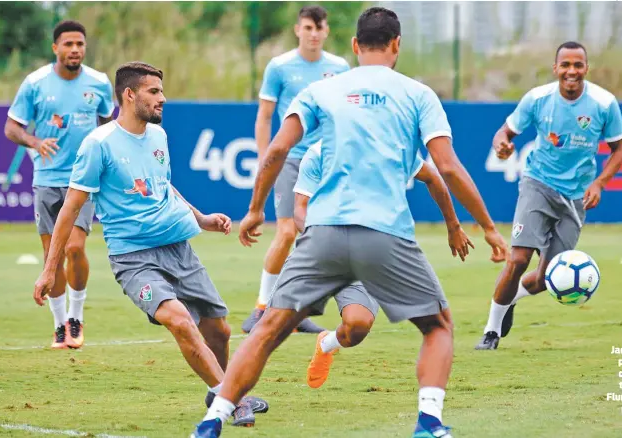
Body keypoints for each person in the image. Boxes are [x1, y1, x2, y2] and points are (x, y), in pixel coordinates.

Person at [194, 7, 508, 438]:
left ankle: (212, 422)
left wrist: (255, 209)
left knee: (267, 330)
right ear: (397, 44)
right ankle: (429, 423)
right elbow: (447, 168)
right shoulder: (418, 94)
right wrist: (486, 226)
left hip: (321, 234)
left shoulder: (324, 90)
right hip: (384, 235)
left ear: (356, 46)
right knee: (437, 327)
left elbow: (275, 152)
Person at [33, 61, 269, 427]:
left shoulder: (158, 136)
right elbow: (70, 209)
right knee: (179, 321)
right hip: (134, 258)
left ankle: (224, 390)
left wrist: (201, 218)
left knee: (219, 330)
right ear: (129, 95)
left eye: (162, 91)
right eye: (154, 92)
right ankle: (230, 400)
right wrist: (50, 270)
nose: (163, 98)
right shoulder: (99, 144)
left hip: (179, 247)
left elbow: (164, 188)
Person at [475, 41, 622, 350]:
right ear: (555, 68)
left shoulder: (603, 103)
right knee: (518, 259)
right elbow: (504, 132)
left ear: (586, 68)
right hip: (538, 184)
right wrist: (502, 144)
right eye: (566, 65)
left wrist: (599, 182)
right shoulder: (537, 98)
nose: (571, 71)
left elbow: (619, 148)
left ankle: (511, 299)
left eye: (578, 65)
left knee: (549, 277)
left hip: (574, 198)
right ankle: (491, 332)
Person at [295, 144, 474, 389]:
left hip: (389, 248)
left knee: (440, 322)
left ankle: (327, 343)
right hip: (340, 249)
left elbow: (433, 177)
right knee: (357, 325)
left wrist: (453, 226)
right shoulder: (319, 153)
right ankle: (230, 397)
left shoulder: (393, 144)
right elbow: (300, 208)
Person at [4, 20, 114, 349]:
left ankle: (76, 316)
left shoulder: (99, 83)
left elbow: (110, 126)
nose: (75, 50)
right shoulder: (35, 83)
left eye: (80, 44)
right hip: (47, 179)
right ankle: (58, 325)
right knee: (51, 254)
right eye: (68, 44)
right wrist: (34, 142)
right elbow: (12, 127)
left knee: (74, 247)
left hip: (83, 180)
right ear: (56, 48)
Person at [242, 5, 350, 334]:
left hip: (326, 160)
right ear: (297, 29)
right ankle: (261, 309)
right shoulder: (280, 67)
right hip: (291, 158)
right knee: (288, 231)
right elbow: (264, 116)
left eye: (319, 28)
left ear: (327, 31)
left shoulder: (340, 67)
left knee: (319, 234)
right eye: (307, 28)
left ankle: (294, 310)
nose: (313, 34)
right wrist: (265, 158)